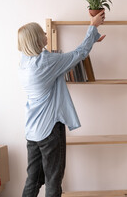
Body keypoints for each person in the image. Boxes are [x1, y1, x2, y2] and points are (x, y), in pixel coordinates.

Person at [17, 11, 106, 197]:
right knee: (53, 180)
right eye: (42, 32)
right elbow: (79, 54)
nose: (46, 34)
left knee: (32, 180)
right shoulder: (47, 62)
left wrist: (92, 39)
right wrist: (93, 26)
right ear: (35, 39)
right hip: (49, 130)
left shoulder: (25, 63)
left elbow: (54, 56)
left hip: (32, 131)